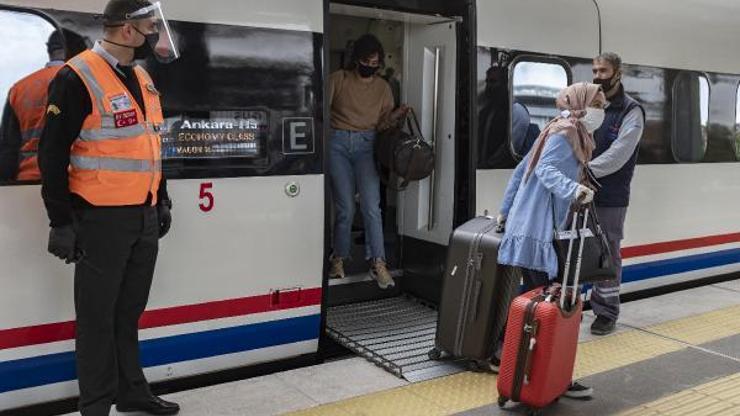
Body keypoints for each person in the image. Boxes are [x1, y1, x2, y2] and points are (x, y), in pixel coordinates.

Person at [38, 0, 179, 414]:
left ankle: (132, 391)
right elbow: (51, 154)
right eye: (150, 27)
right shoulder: (77, 76)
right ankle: (96, 406)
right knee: (97, 318)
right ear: (126, 30)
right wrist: (60, 221)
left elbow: (151, 144)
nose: (156, 34)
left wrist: (162, 198)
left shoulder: (142, 77)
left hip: (143, 214)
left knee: (129, 311)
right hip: (100, 218)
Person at [496, 83, 607, 399]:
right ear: (581, 105)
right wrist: (574, 190)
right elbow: (543, 170)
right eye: (597, 103)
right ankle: (548, 377)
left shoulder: (556, 130)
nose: (602, 110)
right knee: (552, 303)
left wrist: (506, 212)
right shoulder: (565, 134)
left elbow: (521, 170)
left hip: (529, 226)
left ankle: (520, 370)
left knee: (532, 301)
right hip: (540, 230)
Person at [327, 34, 407, 288]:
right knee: (346, 208)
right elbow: (320, 111)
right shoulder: (337, 80)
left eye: (375, 62)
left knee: (372, 206)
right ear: (356, 59)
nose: (370, 65)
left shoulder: (383, 88)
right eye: (366, 60)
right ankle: (338, 257)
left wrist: (396, 116)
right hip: (337, 143)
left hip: (367, 145)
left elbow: (383, 125)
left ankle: (378, 262)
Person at [589, 52, 645, 336]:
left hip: (611, 195)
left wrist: (583, 172)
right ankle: (568, 307)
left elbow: (619, 155)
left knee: (608, 253)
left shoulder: (631, 111)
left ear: (618, 72)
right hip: (580, 192)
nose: (598, 75)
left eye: (604, 70)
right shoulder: (589, 103)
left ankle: (606, 312)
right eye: (595, 70)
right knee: (572, 249)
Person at [0, 29, 87, 181]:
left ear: (49, 50)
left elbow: (8, 149)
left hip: (27, 180)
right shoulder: (83, 82)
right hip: (72, 178)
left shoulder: (19, 89)